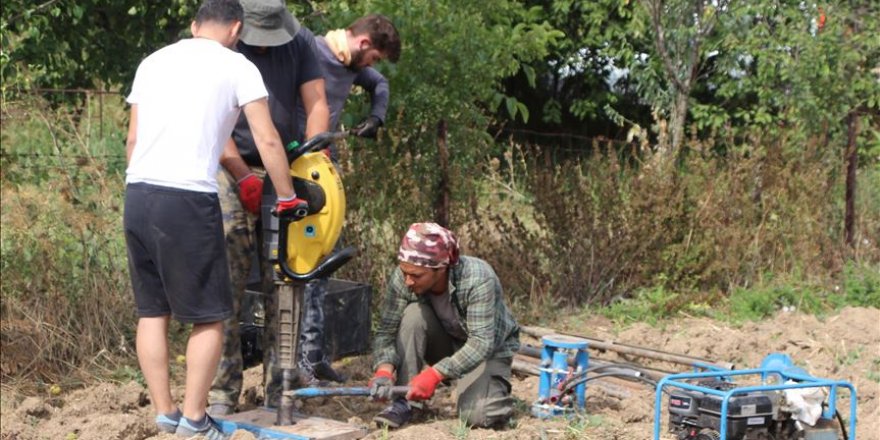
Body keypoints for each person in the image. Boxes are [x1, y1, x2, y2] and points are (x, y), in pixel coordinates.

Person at [123, 0, 307, 438]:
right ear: (237, 29)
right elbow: (267, 138)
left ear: (193, 25)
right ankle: (194, 418)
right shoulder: (237, 66)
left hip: (138, 193)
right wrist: (286, 196)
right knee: (209, 315)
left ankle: (166, 412)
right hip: (188, 198)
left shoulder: (153, 61)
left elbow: (132, 138)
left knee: (153, 311)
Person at [207, 0, 332, 416]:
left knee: (287, 276)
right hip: (230, 166)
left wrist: (314, 155)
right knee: (228, 277)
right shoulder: (222, 47)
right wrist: (241, 173)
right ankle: (223, 390)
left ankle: (281, 389)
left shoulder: (299, 43)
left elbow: (316, 103)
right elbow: (210, 119)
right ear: (240, 27)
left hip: (286, 166)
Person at [294, 13, 401, 388]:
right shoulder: (308, 48)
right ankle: (289, 363)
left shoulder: (353, 67)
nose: (372, 67)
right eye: (373, 58)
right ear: (364, 44)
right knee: (290, 265)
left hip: (325, 168)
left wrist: (377, 117)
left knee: (322, 264)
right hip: (291, 165)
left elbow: (380, 85)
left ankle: (313, 355)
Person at [368, 223, 520, 429]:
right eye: (404, 273)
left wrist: (434, 374)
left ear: (441, 269)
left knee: (477, 416)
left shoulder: (478, 277)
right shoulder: (405, 276)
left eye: (417, 276)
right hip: (446, 343)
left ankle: (491, 391)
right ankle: (406, 402)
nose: (408, 281)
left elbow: (482, 343)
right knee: (413, 316)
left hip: (488, 351)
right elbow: (386, 331)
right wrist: (384, 371)